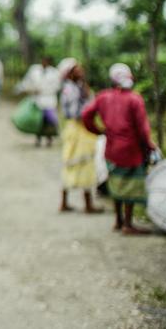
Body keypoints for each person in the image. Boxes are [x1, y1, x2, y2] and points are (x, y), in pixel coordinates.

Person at [81, 63, 159, 235]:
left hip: (112, 148)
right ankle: (128, 224)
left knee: (116, 183)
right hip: (131, 150)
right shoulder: (134, 99)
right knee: (129, 186)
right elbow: (143, 128)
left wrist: (98, 131)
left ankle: (118, 220)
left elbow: (86, 115)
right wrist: (148, 144)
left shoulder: (103, 96)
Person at [56, 58, 102, 214]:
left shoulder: (78, 87)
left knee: (83, 162)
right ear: (69, 73)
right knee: (78, 161)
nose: (81, 72)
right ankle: (83, 204)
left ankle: (73, 202)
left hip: (81, 128)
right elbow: (75, 113)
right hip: (78, 128)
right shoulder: (71, 89)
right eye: (77, 70)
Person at [17, 56, 61, 146]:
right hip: (37, 100)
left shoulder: (54, 73)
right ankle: (38, 139)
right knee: (38, 121)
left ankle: (49, 138)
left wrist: (43, 90)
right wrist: (30, 89)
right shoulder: (34, 70)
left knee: (49, 121)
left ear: (49, 63)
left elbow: (57, 86)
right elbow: (27, 82)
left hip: (49, 100)